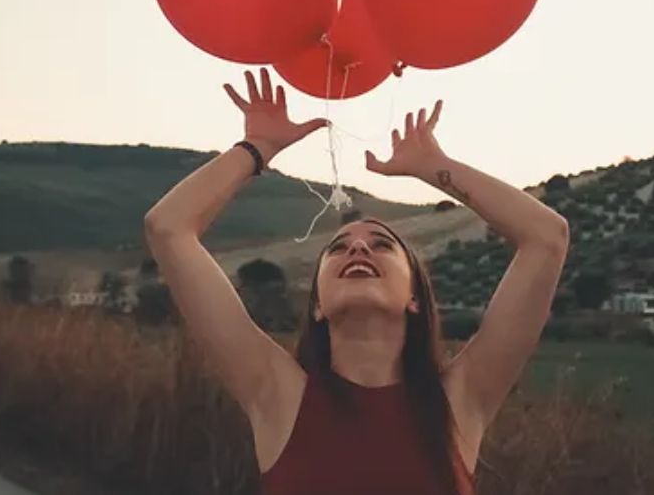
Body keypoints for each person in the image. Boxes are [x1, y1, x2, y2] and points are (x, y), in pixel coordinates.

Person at [144, 68, 570, 495]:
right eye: (338, 248)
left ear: (415, 298)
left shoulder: (460, 401)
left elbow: (546, 237)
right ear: (317, 305)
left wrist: (436, 167)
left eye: (381, 244)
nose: (358, 249)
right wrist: (258, 148)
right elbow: (168, 227)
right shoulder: (276, 393)